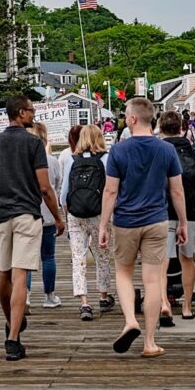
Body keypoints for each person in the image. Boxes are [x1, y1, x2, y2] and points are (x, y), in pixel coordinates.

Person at [99, 97, 187, 358]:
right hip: (157, 220)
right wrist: (182, 222)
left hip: (126, 222)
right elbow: (177, 191)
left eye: (126, 114)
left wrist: (103, 224)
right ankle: (149, 342)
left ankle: (130, 321)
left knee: (124, 273)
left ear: (134, 119)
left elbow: (110, 190)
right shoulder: (166, 150)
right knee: (152, 281)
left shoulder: (118, 150)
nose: (125, 118)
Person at [0, 95, 65, 362]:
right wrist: (58, 217)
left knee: (3, 275)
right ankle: (13, 338)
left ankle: (11, 322)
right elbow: (44, 187)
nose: (34, 113)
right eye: (31, 110)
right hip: (27, 215)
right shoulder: (33, 144)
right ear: (20, 113)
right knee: (20, 276)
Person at [60, 125, 114, 320]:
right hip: (100, 213)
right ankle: (103, 295)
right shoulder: (107, 159)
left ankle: (84, 302)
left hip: (76, 214)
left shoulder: (71, 159)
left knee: (78, 258)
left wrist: (68, 214)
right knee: (103, 255)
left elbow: (64, 194)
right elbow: (111, 190)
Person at [158, 111, 195, 323]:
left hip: (163, 211)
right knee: (187, 257)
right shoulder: (193, 150)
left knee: (162, 259)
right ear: (181, 128)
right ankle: (186, 306)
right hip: (190, 208)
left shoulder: (157, 150)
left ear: (160, 127)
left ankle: (164, 303)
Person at [25, 121, 63, 310]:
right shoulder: (52, 161)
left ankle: (26, 296)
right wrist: (59, 217)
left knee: (26, 259)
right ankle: (49, 296)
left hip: (27, 214)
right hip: (47, 214)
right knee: (48, 257)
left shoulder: (22, 160)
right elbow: (55, 187)